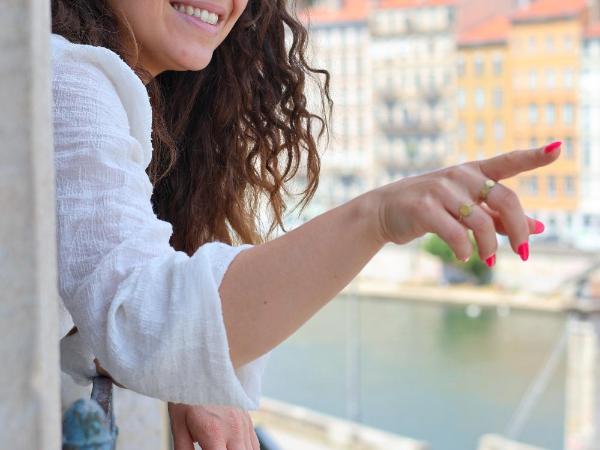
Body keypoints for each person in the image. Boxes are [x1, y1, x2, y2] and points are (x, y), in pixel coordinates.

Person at [51, 0, 560, 449]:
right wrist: (377, 215)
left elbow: (89, 301)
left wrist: (191, 378)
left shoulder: (96, 83)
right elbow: (141, 321)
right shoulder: (67, 78)